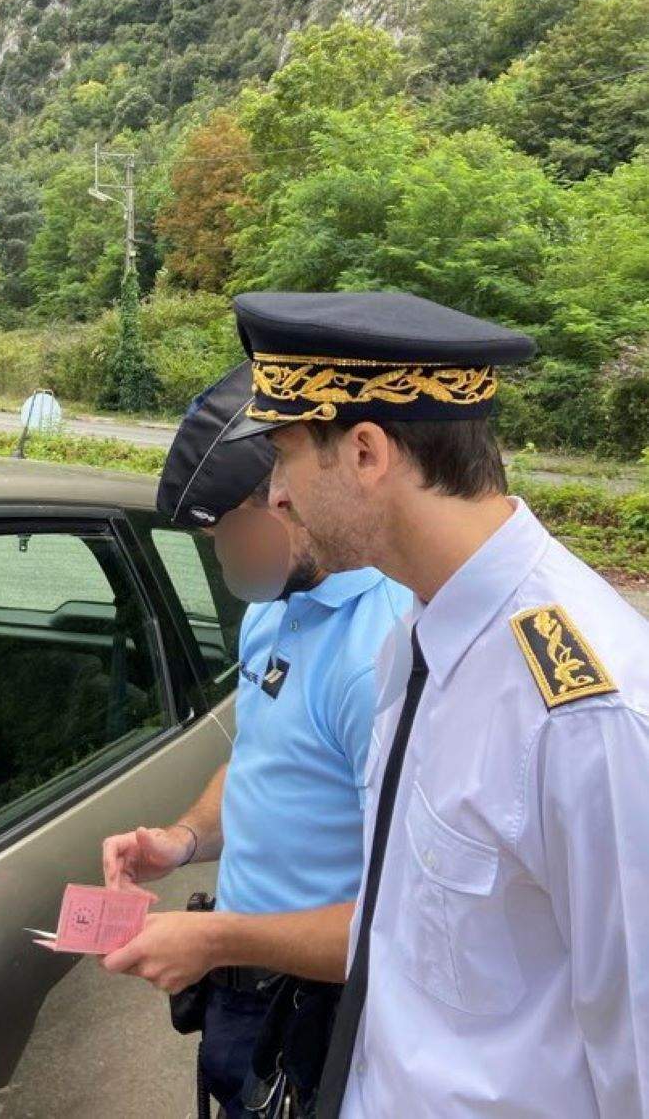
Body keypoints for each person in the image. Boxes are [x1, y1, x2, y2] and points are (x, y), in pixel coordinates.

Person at [218, 289, 649, 1118]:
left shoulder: (589, 715)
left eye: (284, 457)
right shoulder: (417, 631)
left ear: (366, 452)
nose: (274, 496)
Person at [101, 363, 411, 1116]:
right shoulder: (274, 606)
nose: (224, 559)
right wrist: (182, 840)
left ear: (287, 497)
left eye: (230, 535)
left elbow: (399, 926)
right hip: (240, 992)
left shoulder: (383, 653)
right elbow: (261, 759)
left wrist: (215, 940)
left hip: (317, 1010)